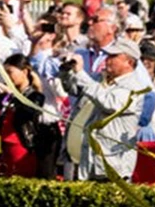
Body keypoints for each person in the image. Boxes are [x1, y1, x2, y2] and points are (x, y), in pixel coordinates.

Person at [62, 38, 146, 181]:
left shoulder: (135, 87)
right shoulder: (98, 78)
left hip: (108, 167)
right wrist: (66, 71)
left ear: (129, 63)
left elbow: (109, 103)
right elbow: (73, 88)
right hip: (81, 161)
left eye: (114, 56)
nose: (107, 60)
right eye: (108, 55)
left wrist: (81, 73)